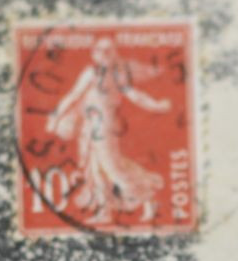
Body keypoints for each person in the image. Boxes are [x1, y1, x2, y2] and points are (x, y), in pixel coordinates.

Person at [46, 37, 173, 223]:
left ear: (114, 54)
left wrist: (156, 105)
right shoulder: (90, 72)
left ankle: (148, 199)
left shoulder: (118, 74)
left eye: (109, 51)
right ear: (94, 54)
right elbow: (74, 95)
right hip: (88, 126)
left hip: (105, 125)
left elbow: (134, 95)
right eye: (100, 51)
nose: (104, 55)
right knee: (95, 170)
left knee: (111, 167)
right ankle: (105, 211)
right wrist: (56, 116)